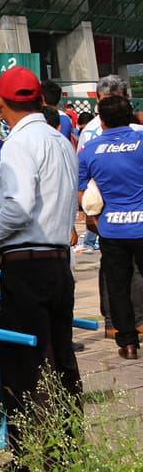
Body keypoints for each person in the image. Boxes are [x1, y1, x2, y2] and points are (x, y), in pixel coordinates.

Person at [0, 66, 81, 458]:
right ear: (39, 99)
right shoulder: (60, 141)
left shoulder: (18, 144)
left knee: (26, 365)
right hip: (58, 261)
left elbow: (18, 207)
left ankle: (32, 459)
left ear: (0, 103)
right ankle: (67, 450)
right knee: (61, 362)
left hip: (27, 263)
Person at [77, 95, 143, 359]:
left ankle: (127, 343)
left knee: (117, 285)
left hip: (111, 229)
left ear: (101, 120)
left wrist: (93, 216)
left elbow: (81, 194)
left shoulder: (89, 150)